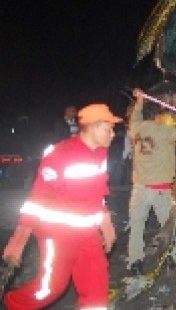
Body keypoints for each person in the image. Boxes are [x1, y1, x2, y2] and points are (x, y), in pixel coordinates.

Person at [2, 104, 122, 309]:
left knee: (96, 288)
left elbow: (97, 192)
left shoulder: (101, 153)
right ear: (93, 127)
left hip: (88, 234)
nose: (113, 134)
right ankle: (12, 304)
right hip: (57, 234)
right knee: (50, 288)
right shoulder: (60, 154)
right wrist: (19, 238)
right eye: (108, 129)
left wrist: (106, 223)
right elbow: (37, 199)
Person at [126, 88, 176, 275]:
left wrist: (139, 102)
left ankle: (135, 262)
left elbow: (135, 117)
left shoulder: (136, 129)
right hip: (160, 190)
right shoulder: (164, 131)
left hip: (139, 188)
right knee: (168, 226)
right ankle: (171, 259)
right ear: (157, 116)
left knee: (137, 226)